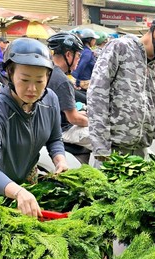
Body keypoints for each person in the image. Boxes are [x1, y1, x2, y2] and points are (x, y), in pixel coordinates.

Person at [0, 38, 68, 217]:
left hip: (26, 164)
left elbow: (54, 138)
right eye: (25, 80)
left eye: (39, 81)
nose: (32, 89)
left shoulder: (50, 100)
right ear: (10, 74)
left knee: (31, 215)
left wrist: (60, 160)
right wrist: (18, 192)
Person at [87, 8, 155, 165]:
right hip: (111, 153)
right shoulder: (119, 49)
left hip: (140, 155)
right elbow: (97, 97)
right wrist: (101, 149)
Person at [47, 32, 93, 165]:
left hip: (53, 126)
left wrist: (82, 114)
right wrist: (96, 123)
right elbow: (73, 119)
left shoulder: (49, 72)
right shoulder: (62, 80)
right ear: (68, 54)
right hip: (62, 130)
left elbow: (64, 111)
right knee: (103, 139)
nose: (79, 60)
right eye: (78, 56)